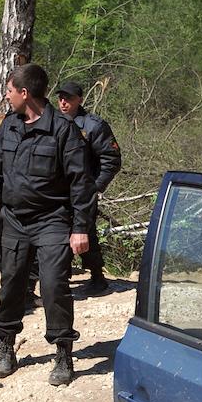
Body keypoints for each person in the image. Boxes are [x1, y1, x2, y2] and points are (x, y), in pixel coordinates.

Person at [0, 64, 95, 387]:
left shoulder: (63, 130)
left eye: (9, 91)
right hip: (14, 220)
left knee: (54, 285)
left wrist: (80, 227)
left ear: (24, 93)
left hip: (52, 220)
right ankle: (6, 346)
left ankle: (63, 351)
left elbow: (81, 184)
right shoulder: (9, 126)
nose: (6, 97)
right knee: (11, 285)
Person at [55, 81, 121, 296]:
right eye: (60, 98)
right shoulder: (52, 122)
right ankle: (58, 278)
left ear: (79, 100)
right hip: (57, 190)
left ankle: (97, 277)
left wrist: (95, 187)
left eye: (69, 98)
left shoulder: (93, 125)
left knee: (85, 231)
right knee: (55, 234)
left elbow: (111, 160)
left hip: (83, 189)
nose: (63, 102)